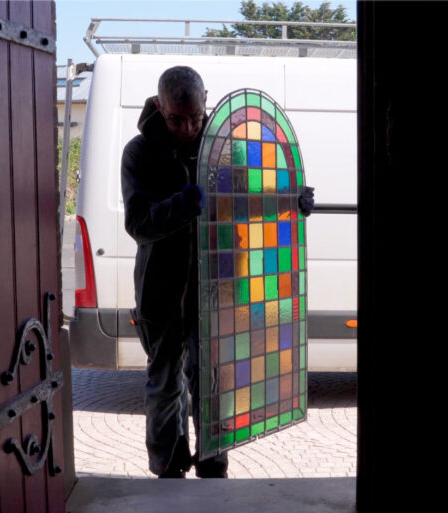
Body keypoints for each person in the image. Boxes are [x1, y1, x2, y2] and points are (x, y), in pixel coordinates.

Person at [121, 66, 315, 479]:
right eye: (177, 119)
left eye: (195, 117)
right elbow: (138, 223)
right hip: (162, 295)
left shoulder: (226, 148)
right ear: (159, 107)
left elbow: (243, 203)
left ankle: (214, 468)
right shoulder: (139, 154)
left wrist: (290, 201)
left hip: (217, 291)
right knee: (166, 387)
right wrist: (180, 205)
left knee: (215, 385)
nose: (189, 128)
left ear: (206, 100)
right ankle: (168, 472)